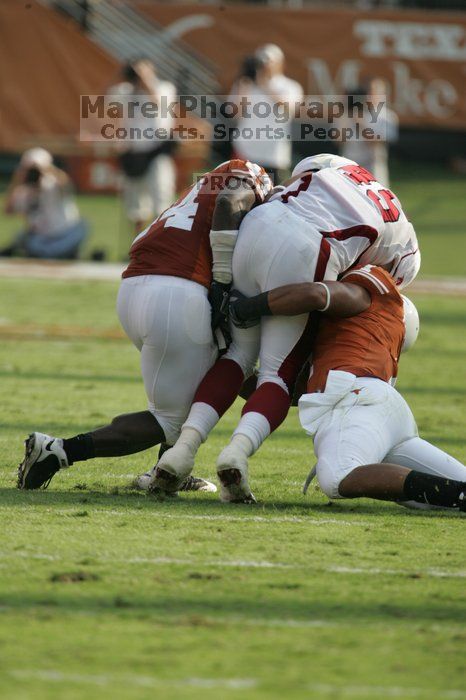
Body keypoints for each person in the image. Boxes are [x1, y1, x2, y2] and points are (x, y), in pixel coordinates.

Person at [150, 153, 421, 501]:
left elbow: (294, 183)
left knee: (237, 353)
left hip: (258, 224)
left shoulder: (337, 165)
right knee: (278, 372)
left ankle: (181, 450)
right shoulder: (406, 247)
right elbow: (360, 289)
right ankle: (238, 452)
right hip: (310, 246)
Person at [17, 159, 272, 492]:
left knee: (195, 387)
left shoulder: (195, 193)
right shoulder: (250, 176)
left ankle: (168, 471)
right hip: (178, 294)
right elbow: (230, 201)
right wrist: (222, 279)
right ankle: (58, 451)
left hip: (137, 288)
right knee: (168, 421)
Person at [225, 265, 466, 510]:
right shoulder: (360, 341)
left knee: (337, 476)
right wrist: (232, 374)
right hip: (386, 414)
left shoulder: (367, 297)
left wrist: (243, 309)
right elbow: (285, 391)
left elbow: (316, 295)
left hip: (357, 400)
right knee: (443, 495)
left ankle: (461, 495)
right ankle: (460, 493)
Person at [110, 58, 177, 234]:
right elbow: (108, 100)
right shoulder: (126, 91)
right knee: (135, 204)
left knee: (161, 196)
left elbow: (158, 103)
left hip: (157, 149)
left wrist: (146, 79)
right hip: (134, 151)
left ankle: (162, 242)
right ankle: (138, 245)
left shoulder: (165, 88)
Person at [228, 44, 303, 183]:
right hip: (245, 150)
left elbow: (289, 108)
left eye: (269, 61)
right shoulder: (246, 84)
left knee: (271, 197)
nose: (265, 65)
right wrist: (243, 90)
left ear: (280, 63)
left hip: (273, 154)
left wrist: (265, 85)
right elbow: (234, 114)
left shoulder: (289, 86)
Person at [1, 148, 87, 259]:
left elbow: (66, 184)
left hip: (65, 233)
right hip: (41, 238)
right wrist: (17, 179)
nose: (34, 173)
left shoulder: (53, 185)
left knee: (82, 227)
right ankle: (58, 254)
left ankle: (59, 253)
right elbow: (7, 211)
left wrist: (46, 169)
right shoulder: (23, 191)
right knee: (24, 237)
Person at [340, 78, 399, 187]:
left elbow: (375, 142)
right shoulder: (352, 112)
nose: (369, 96)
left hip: (373, 166)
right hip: (350, 164)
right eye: (367, 92)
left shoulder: (387, 117)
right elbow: (338, 140)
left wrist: (359, 123)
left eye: (374, 92)